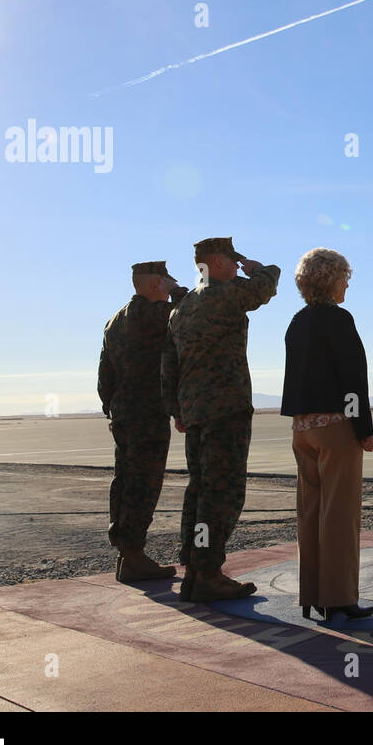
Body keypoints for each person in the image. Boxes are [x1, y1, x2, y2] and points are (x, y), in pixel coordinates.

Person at [162, 237, 280, 603]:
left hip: (196, 411)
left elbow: (169, 366)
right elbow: (266, 287)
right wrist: (257, 267)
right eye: (232, 259)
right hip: (225, 410)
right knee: (223, 493)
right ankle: (209, 572)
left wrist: (177, 409)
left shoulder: (181, 308)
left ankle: (195, 569)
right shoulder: (223, 294)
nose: (236, 265)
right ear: (216, 261)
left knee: (199, 491)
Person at [280, 248, 373, 622]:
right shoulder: (339, 320)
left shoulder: (297, 322)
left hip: (302, 429)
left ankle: (311, 595)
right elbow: (353, 379)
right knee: (340, 515)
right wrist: (363, 429)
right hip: (336, 429)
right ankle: (337, 598)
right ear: (331, 281)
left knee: (310, 511)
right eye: (344, 277)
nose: (347, 284)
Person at [98, 261, 188, 582]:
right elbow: (189, 310)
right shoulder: (154, 315)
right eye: (164, 282)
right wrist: (175, 289)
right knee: (144, 482)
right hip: (147, 413)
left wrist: (112, 408)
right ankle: (133, 555)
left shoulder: (114, 321)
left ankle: (127, 552)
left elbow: (104, 375)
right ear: (155, 286)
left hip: (123, 413)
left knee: (124, 479)